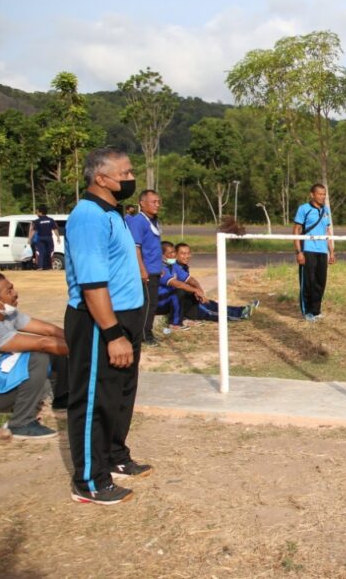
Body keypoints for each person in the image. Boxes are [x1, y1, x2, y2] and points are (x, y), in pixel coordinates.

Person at [64, 147, 150, 505]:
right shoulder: (88, 216)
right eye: (124, 173)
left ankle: (114, 455)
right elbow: (92, 284)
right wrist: (113, 334)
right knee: (95, 400)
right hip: (100, 321)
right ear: (101, 178)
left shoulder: (112, 211)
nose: (131, 179)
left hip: (125, 317)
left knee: (120, 394)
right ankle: (90, 481)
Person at [0, 274, 68, 439]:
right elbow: (42, 343)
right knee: (38, 356)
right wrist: (85, 350)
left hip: (4, 383)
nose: (15, 293)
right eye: (9, 291)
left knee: (55, 347)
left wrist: (76, 340)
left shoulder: (9, 315)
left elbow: (48, 330)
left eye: (13, 288)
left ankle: (62, 399)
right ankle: (21, 423)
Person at [172, 242, 257, 323]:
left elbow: (191, 281)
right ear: (175, 254)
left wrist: (199, 292)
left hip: (190, 299)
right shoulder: (174, 267)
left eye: (188, 253)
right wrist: (196, 292)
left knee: (212, 304)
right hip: (185, 305)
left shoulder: (183, 266)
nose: (187, 256)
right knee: (209, 312)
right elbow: (180, 286)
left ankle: (242, 310)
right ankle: (239, 315)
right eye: (183, 253)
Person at [126, 189, 164, 345]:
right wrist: (142, 270)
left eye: (158, 202)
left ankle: (147, 332)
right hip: (146, 272)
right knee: (148, 304)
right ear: (142, 203)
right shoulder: (138, 221)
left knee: (153, 303)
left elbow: (153, 247)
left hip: (155, 270)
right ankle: (144, 335)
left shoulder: (153, 221)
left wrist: (160, 266)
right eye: (153, 202)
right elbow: (136, 248)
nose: (157, 205)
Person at [292, 184, 335, 322]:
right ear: (312, 194)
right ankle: (307, 312)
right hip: (308, 250)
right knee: (308, 282)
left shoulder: (325, 210)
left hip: (322, 251)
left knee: (320, 282)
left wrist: (331, 251)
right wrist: (298, 252)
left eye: (324, 194)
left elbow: (327, 231)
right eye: (320, 194)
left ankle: (316, 311)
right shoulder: (304, 209)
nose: (322, 197)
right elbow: (296, 230)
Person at [27, 205, 59, 271]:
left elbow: (33, 231)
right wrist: (58, 237)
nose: (36, 214)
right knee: (49, 252)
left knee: (40, 252)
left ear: (40, 212)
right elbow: (55, 229)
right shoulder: (51, 220)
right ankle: (49, 267)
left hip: (40, 238)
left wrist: (30, 239)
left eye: (37, 212)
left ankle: (40, 267)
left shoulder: (37, 221)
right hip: (49, 238)